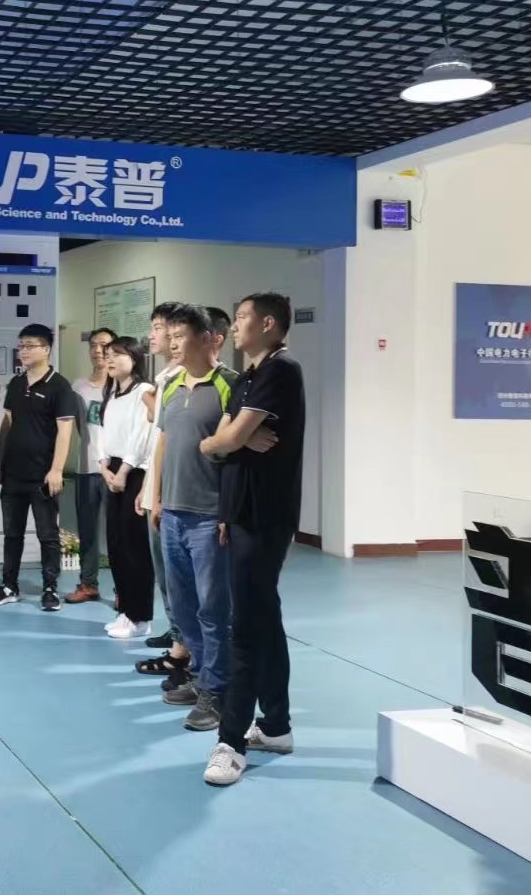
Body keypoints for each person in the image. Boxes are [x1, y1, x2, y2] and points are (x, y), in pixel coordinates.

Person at [201, 293, 305, 788]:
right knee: (264, 618)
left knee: (244, 627)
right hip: (241, 513)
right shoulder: (247, 378)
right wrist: (229, 444)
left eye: (242, 317)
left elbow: (223, 440)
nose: (236, 325)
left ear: (267, 323)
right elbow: (224, 439)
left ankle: (231, 743)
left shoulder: (281, 371)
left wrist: (225, 442)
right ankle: (277, 726)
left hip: (266, 516)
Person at [151, 305, 237, 732]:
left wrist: (228, 513)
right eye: (170, 336)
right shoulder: (171, 385)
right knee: (183, 608)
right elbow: (164, 443)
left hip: (208, 516)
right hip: (172, 513)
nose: (172, 343)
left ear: (207, 339)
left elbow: (237, 455)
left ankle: (217, 691)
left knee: (212, 609)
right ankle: (202, 675)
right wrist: (155, 497)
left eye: (180, 336)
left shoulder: (229, 385)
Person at [0, 324, 76, 613]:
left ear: (46, 349)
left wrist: (56, 470)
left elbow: (65, 431)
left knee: (47, 535)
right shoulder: (16, 383)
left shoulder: (59, 386)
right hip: (13, 473)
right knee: (11, 534)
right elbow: (8, 423)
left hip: (43, 475)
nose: (23, 351)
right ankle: (9, 585)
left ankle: (50, 588)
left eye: (30, 345)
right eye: (21, 346)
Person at [97, 337, 156, 638]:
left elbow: (141, 436)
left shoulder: (143, 391)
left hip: (134, 473)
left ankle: (140, 616)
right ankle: (125, 611)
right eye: (108, 354)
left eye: (118, 354)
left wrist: (122, 472)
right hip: (113, 469)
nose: (110, 359)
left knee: (134, 546)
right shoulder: (111, 393)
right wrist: (103, 466)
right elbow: (104, 432)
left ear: (135, 358)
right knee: (116, 544)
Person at [135, 301, 186, 650]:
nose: (152, 335)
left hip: (173, 490)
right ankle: (176, 628)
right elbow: (157, 440)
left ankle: (184, 640)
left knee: (176, 571)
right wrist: (147, 486)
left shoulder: (182, 378)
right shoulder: (164, 376)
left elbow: (172, 433)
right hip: (156, 484)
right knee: (163, 569)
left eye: (158, 328)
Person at [66, 327, 115, 604]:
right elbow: (76, 427)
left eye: (104, 346)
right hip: (86, 469)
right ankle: (88, 584)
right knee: (87, 531)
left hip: (116, 471)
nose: (98, 350)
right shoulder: (78, 387)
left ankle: (124, 590)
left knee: (118, 534)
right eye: (94, 345)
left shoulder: (124, 386)